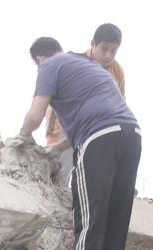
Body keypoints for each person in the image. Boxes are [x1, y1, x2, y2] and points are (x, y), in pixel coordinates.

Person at [19, 37, 141, 250]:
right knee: (116, 212)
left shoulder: (49, 67)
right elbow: (85, 124)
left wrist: (21, 139)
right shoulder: (91, 68)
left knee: (89, 212)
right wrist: (56, 149)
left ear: (40, 59)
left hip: (99, 138)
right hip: (131, 134)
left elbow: (35, 116)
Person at [46, 23, 126, 184]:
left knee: (89, 174)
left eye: (113, 51)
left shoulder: (116, 72)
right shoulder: (75, 63)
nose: (108, 55)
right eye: (104, 48)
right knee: (59, 170)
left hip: (95, 128)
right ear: (93, 44)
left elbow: (119, 104)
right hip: (65, 125)